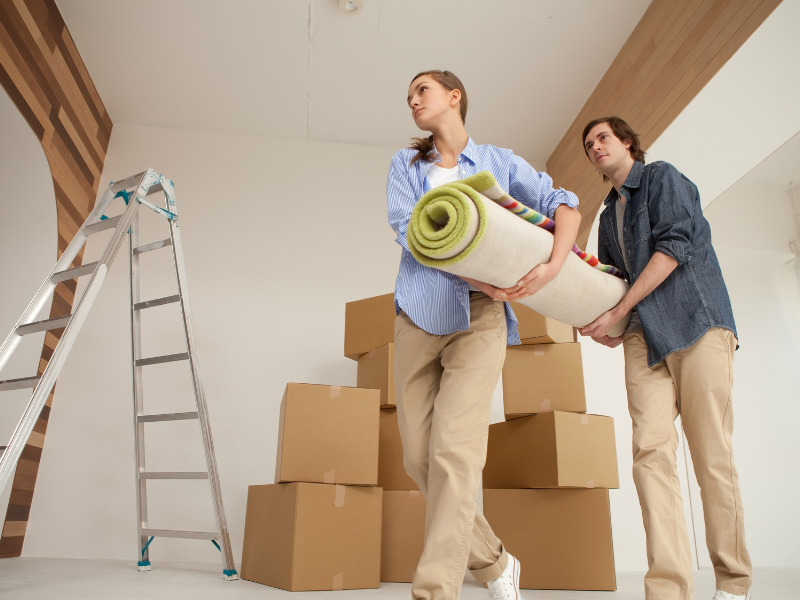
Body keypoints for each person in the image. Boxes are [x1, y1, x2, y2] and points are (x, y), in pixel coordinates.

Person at [387, 69, 581, 600]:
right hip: (419, 313)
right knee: (418, 457)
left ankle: (435, 591)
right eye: (408, 97)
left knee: (455, 451)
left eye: (420, 91)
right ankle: (494, 564)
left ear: (454, 96)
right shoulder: (406, 165)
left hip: (480, 318)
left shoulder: (498, 162)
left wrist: (551, 267)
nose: (412, 102)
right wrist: (474, 271)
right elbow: (406, 228)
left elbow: (562, 201)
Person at [579, 116, 752, 600]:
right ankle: (669, 589)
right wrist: (613, 327)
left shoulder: (663, 178)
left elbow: (675, 247)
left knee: (711, 455)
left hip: (696, 323)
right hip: (643, 340)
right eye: (589, 144)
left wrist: (621, 307)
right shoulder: (607, 212)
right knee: (650, 456)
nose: (595, 147)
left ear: (627, 141)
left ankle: (734, 584)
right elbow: (614, 282)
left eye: (603, 138)